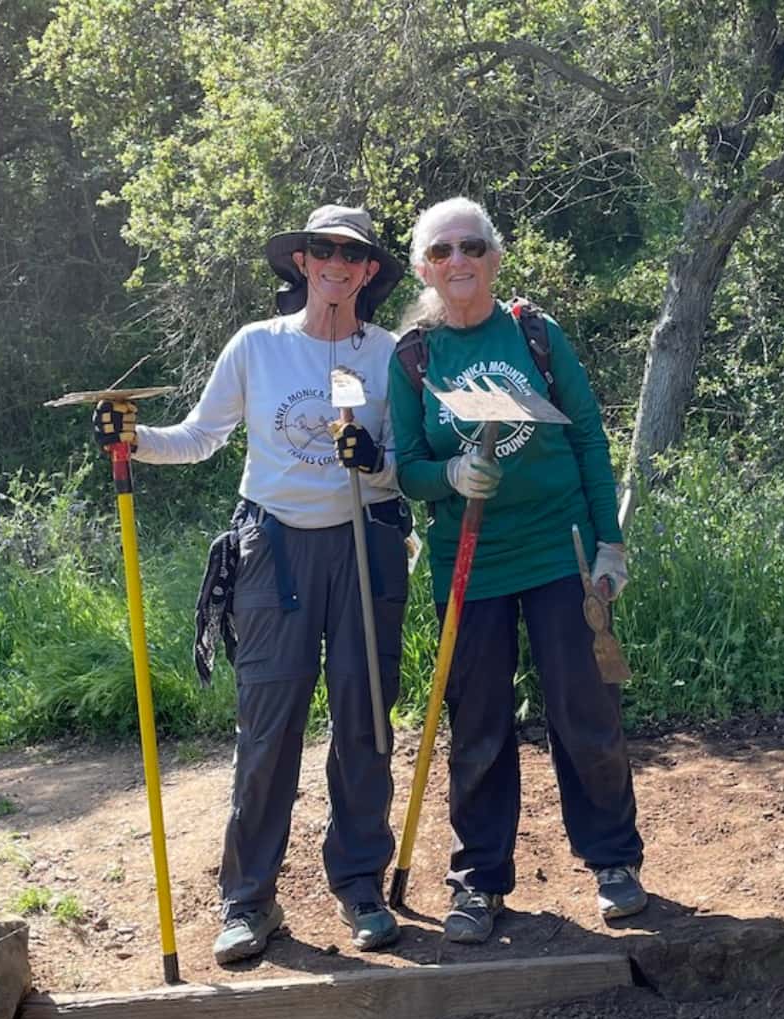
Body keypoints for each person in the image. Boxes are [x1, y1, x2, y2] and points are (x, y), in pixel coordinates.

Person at [91, 204, 411, 963]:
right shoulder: (256, 348)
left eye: (352, 253)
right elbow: (202, 437)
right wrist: (136, 440)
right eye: (322, 249)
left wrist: (377, 459)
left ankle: (359, 884)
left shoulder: (391, 356)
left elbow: (408, 461)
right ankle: (248, 900)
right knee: (268, 725)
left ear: (369, 272)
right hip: (272, 546)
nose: (336, 262)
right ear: (301, 262)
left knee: (365, 718)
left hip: (367, 543)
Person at [388, 197, 643, 944]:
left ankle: (614, 863)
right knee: (479, 726)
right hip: (470, 563)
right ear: (422, 269)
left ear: (495, 257)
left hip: (557, 551)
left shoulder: (535, 334)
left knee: (585, 712)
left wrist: (609, 544)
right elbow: (407, 466)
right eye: (441, 253)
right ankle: (478, 882)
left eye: (471, 247)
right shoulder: (414, 357)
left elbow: (590, 437)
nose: (458, 262)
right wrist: (450, 479)